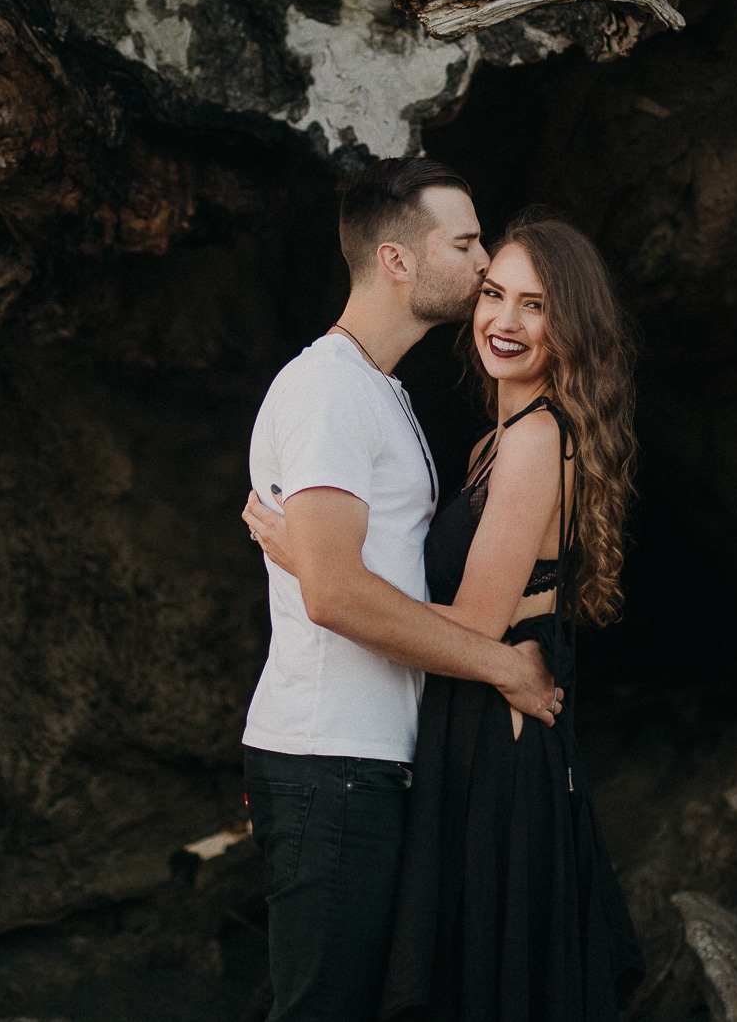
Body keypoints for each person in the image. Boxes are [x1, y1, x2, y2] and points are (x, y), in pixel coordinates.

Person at [247, 210, 646, 1021]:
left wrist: (309, 562)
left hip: (497, 744)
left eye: (535, 305)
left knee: (482, 982)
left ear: (571, 324)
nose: (504, 320)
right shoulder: (490, 446)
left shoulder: (537, 442)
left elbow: (470, 627)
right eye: (493, 292)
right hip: (465, 722)